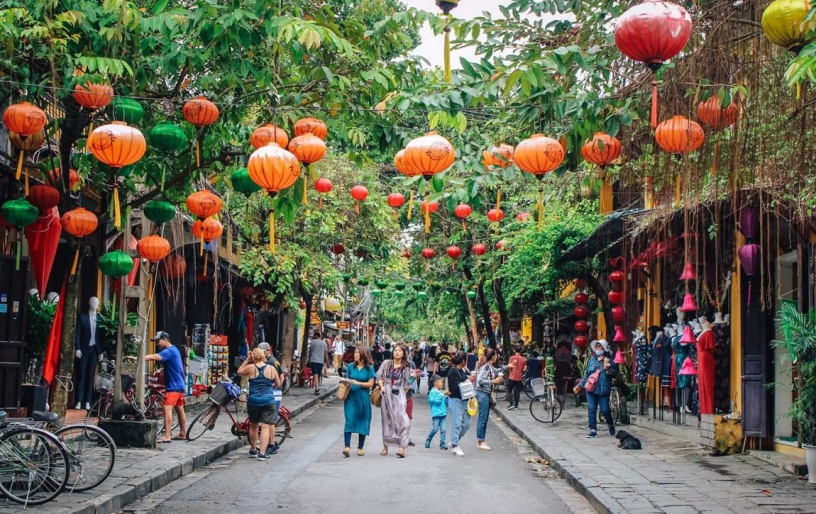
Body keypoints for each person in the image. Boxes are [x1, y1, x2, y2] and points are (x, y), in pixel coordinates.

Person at [238, 348, 281, 460]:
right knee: (265, 427)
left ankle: (253, 449)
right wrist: (268, 388)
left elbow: (239, 371)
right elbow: (278, 384)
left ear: (254, 357)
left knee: (253, 426)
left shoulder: (251, 368)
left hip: (254, 401)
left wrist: (247, 360)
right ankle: (262, 453)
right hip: (268, 400)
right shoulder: (272, 369)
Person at [145, 331, 187, 443]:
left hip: (174, 386)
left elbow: (155, 357)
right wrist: (161, 369)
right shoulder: (174, 350)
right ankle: (183, 433)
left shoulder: (169, 351)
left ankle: (167, 435)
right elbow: (174, 365)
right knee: (179, 409)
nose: (157, 344)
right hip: (179, 384)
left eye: (158, 341)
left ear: (165, 339)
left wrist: (141, 358)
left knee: (167, 408)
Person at [574, 339, 618, 438]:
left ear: (604, 348)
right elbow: (587, 376)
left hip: (603, 390)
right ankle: (593, 429)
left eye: (600, 347)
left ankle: (610, 424)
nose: (598, 349)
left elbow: (614, 374)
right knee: (591, 409)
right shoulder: (591, 360)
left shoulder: (609, 361)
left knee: (605, 410)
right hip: (591, 389)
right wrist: (579, 386)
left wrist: (608, 370)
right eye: (597, 347)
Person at [377, 344, 411, 458]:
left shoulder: (406, 367)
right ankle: (385, 446)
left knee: (402, 420)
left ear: (403, 353)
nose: (397, 352)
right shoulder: (386, 363)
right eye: (395, 350)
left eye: (399, 351)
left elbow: (406, 384)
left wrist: (402, 398)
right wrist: (382, 388)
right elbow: (379, 377)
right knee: (387, 420)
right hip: (386, 394)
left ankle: (402, 447)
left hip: (399, 394)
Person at [342, 346, 376, 457]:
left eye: (357, 352)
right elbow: (347, 379)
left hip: (363, 398)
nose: (355, 354)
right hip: (351, 397)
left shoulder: (369, 368)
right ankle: (347, 446)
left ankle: (360, 447)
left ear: (363, 354)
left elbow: (371, 384)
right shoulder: (351, 367)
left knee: (363, 420)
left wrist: (358, 383)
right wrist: (345, 382)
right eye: (355, 353)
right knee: (349, 420)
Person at [75, 297, 101, 410]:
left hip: (95, 350)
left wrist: (101, 351)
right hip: (84, 349)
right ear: (89, 303)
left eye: (96, 302)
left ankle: (87, 401)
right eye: (93, 302)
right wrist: (78, 348)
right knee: (81, 375)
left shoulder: (100, 318)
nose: (94, 304)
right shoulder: (82, 317)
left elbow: (102, 337)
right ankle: (78, 401)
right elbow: (78, 334)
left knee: (90, 376)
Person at [475, 348, 503, 451]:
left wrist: (506, 368)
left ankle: (481, 440)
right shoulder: (486, 367)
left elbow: (497, 370)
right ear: (492, 357)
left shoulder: (490, 367)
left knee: (485, 418)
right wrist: (493, 381)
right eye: (496, 355)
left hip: (485, 393)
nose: (497, 357)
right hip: (482, 394)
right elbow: (480, 381)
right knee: (483, 418)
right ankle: (480, 441)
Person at [447, 351, 474, 456]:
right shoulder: (453, 371)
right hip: (456, 400)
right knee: (457, 423)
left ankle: (454, 440)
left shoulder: (461, 371)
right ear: (463, 361)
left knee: (466, 424)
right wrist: (468, 381)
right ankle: (454, 445)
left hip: (465, 400)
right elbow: (455, 388)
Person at [258, 342, 283, 454]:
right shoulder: (266, 362)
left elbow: (281, 377)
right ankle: (271, 442)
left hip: (273, 393)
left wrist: (274, 387)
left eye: (263, 351)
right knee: (268, 421)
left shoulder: (272, 362)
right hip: (268, 392)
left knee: (270, 421)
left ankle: (272, 444)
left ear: (268, 350)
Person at [425, 376, 449, 450]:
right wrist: (442, 394)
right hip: (436, 414)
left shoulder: (441, 392)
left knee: (443, 429)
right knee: (435, 429)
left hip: (443, 413)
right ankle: (429, 439)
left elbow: (446, 403)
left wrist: (447, 397)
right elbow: (436, 401)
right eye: (441, 382)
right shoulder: (432, 392)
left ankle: (442, 443)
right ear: (436, 383)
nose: (442, 384)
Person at [506, 346, 527, 410]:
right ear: (521, 351)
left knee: (509, 390)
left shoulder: (512, 358)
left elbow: (509, 367)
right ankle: (516, 405)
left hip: (511, 376)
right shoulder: (524, 359)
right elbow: (525, 369)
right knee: (517, 391)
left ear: (514, 350)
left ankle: (511, 403)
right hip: (519, 377)